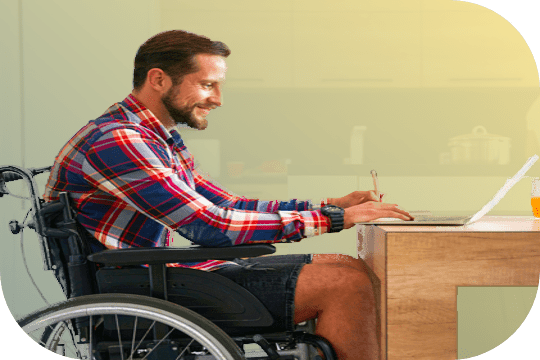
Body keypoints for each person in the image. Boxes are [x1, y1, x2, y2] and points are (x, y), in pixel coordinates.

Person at [44, 30, 414, 360]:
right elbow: (210, 227)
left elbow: (225, 204)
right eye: (207, 85)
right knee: (345, 284)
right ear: (158, 79)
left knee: (345, 265)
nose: (218, 99)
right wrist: (334, 219)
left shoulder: (156, 135)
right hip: (142, 286)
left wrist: (331, 206)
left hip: (157, 274)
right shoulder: (122, 140)